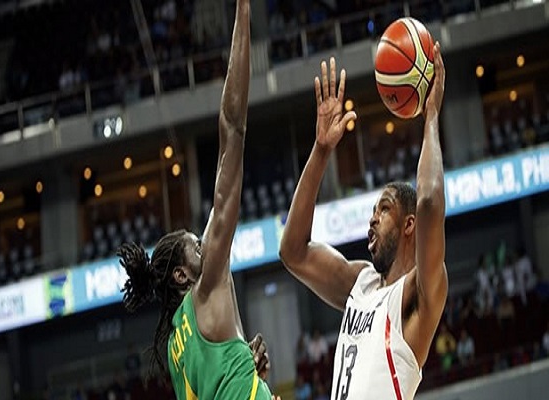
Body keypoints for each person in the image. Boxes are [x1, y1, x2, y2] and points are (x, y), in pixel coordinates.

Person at [116, 0, 278, 398]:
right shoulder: (207, 284)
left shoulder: (175, 347)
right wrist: (242, 13)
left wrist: (248, 370)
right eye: (195, 244)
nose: (203, 244)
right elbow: (232, 130)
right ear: (180, 275)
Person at [279, 43, 447, 400]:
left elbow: (430, 200)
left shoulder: (418, 294)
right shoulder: (360, 283)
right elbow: (292, 251)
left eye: (383, 209)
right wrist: (321, 150)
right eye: (372, 212)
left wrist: (430, 116)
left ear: (409, 225)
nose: (372, 220)